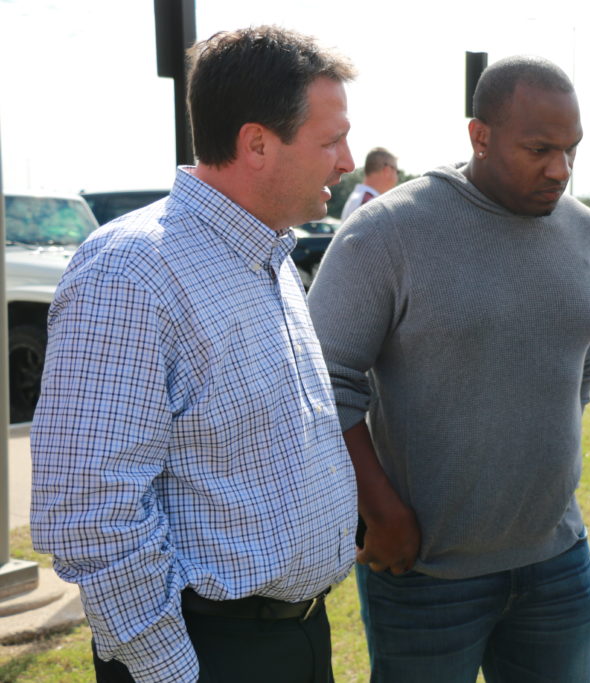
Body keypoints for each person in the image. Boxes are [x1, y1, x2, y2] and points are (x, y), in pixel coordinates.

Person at [31, 26, 359, 683]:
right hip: (208, 652)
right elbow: (91, 514)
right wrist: (169, 670)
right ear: (257, 143)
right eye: (330, 140)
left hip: (293, 638)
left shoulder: (270, 256)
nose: (347, 160)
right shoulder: (131, 271)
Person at [307, 55, 590, 682]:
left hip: (558, 564)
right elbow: (319, 382)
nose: (560, 169)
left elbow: (583, 364)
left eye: (571, 150)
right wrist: (382, 511)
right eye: (538, 149)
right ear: (479, 136)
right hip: (425, 574)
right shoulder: (389, 231)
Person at [340, 147, 399, 220]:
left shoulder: (362, 198)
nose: (397, 177)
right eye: (397, 172)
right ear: (387, 170)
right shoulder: (370, 203)